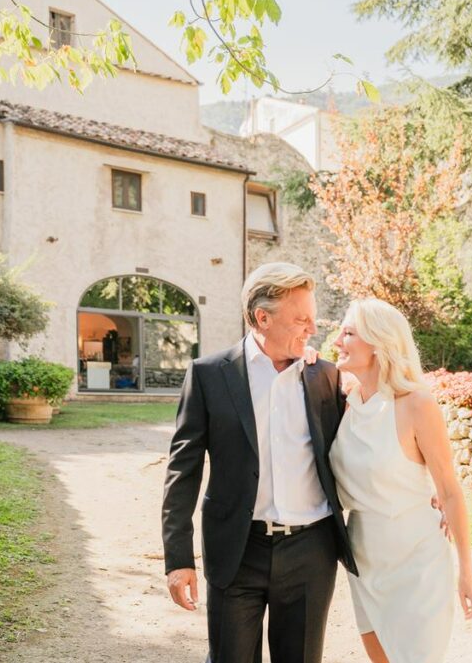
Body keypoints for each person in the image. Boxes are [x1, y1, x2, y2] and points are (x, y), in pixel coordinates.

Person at [160, 262, 356, 663]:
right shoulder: (209, 375)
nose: (311, 329)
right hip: (236, 549)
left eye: (312, 319)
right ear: (261, 317)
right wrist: (178, 559)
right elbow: (183, 471)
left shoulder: (327, 377)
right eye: (301, 319)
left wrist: (427, 487)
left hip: (310, 551)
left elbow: (367, 442)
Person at [328, 298, 472, 663]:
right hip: (362, 557)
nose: (336, 341)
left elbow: (449, 491)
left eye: (348, 332)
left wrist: (466, 573)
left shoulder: (417, 404)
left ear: (379, 342)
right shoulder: (344, 401)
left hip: (418, 561)